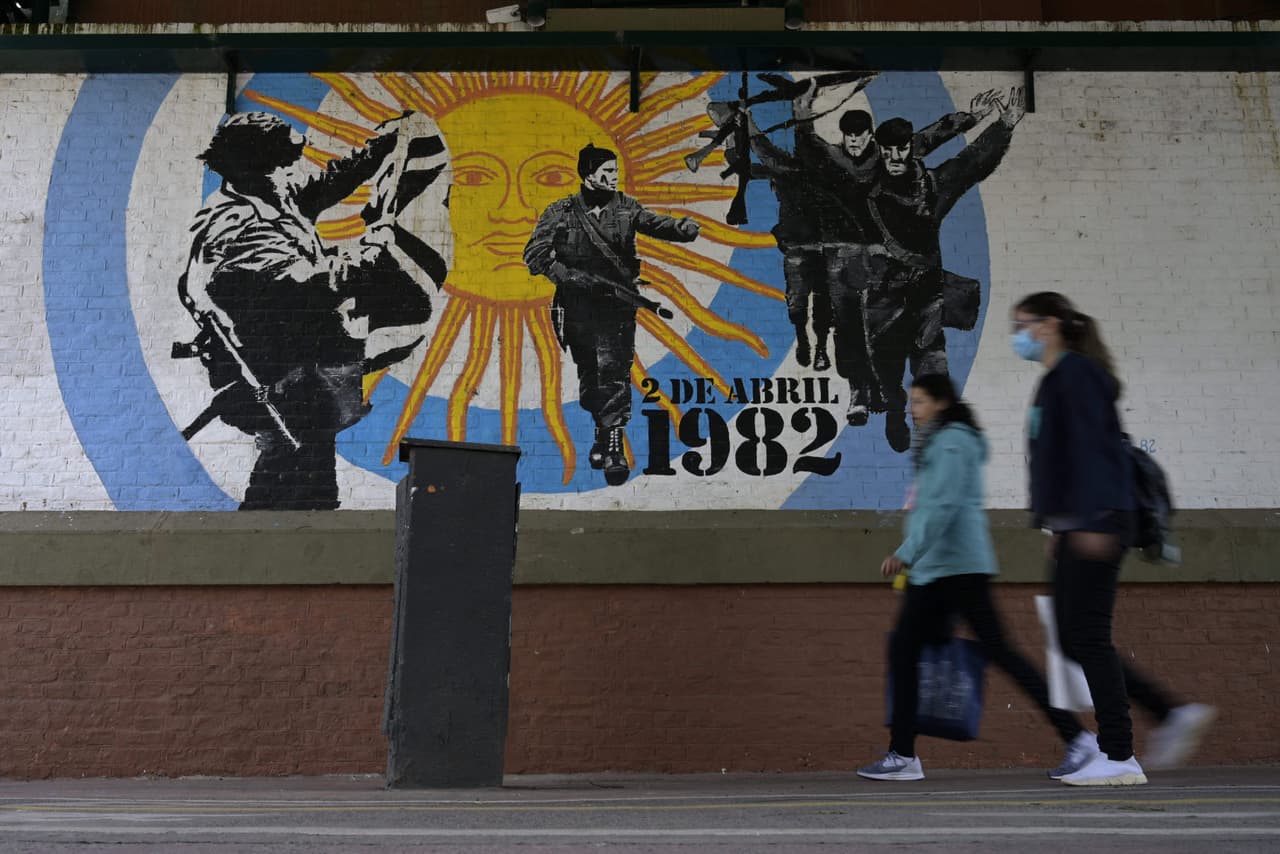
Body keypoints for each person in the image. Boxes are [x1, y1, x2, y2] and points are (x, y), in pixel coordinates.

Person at [178, 111, 434, 510]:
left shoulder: (269, 195)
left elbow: (329, 182)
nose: (290, 170)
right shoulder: (235, 224)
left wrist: (378, 150)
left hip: (306, 375)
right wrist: (371, 248)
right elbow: (309, 286)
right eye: (282, 161)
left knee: (311, 480)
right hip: (279, 379)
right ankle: (262, 551)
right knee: (286, 478)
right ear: (256, 162)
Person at [1012, 291, 1216, 786]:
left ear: (1051, 325)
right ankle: (1168, 714)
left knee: (1086, 636)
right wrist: (1058, 525)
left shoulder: (1078, 376)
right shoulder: (1058, 379)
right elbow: (1063, 460)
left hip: (1099, 520)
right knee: (1069, 634)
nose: (1017, 336)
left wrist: (1095, 518)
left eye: (1024, 324)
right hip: (1076, 522)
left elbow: (1097, 453)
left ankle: (1119, 753)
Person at [858, 373, 1099, 782]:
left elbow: (944, 507)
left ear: (940, 402)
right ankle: (904, 752)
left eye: (918, 402)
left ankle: (1078, 739)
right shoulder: (944, 442)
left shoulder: (951, 442)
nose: (912, 410)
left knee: (975, 651)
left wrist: (905, 554)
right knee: (924, 650)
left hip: (953, 569)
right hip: (944, 568)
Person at [524, 143, 700, 486]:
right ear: (588, 175)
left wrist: (682, 229)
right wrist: (572, 278)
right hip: (576, 306)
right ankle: (601, 432)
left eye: (615, 170)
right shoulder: (561, 211)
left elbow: (654, 223)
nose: (613, 176)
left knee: (615, 371)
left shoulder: (625, 208)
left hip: (617, 305)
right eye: (605, 171)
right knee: (590, 374)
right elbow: (535, 255)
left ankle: (615, 442)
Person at [859, 87, 1024, 453]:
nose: (895, 156)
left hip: (925, 295)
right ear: (880, 151)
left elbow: (970, 163)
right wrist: (965, 119)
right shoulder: (867, 186)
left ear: (908, 148)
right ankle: (893, 409)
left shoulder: (931, 187)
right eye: (887, 150)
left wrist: (1003, 126)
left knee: (932, 363)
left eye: (901, 148)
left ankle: (934, 435)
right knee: (886, 370)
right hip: (883, 300)